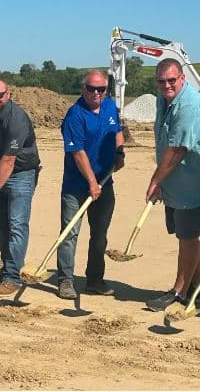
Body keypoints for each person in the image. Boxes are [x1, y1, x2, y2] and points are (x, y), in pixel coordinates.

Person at [145, 58, 200, 311]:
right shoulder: (165, 98)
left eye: (171, 80)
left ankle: (179, 291)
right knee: (189, 235)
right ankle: (198, 289)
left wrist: (156, 180)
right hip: (179, 182)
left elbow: (178, 149)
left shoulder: (189, 106)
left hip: (197, 182)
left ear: (182, 78)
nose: (166, 85)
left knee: (187, 237)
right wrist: (163, 180)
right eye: (161, 81)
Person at [56, 69, 125, 299]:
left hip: (105, 182)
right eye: (91, 88)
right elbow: (77, 152)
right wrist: (92, 183)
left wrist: (120, 153)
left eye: (101, 89)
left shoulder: (109, 106)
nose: (96, 93)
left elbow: (117, 132)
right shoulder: (74, 115)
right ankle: (65, 279)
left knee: (100, 235)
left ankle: (95, 280)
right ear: (83, 89)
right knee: (70, 232)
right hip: (77, 186)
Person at [0, 75, 41, 297]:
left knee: (16, 225)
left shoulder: (17, 119)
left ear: (9, 94)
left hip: (22, 173)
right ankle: (7, 268)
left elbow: (9, 160)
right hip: (0, 169)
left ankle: (13, 278)